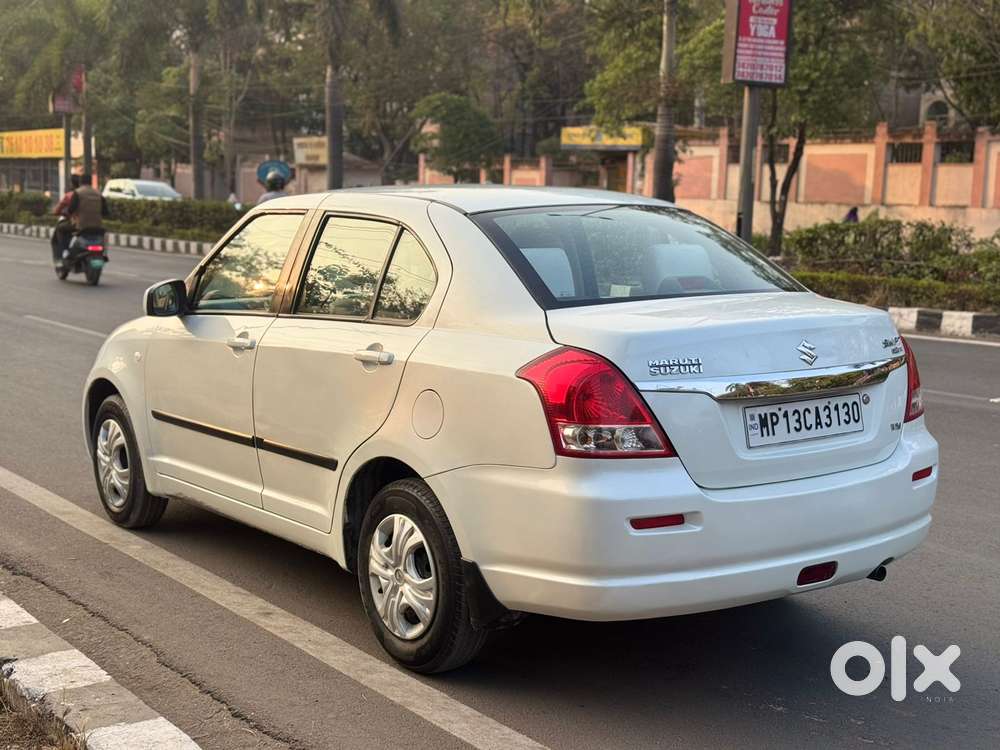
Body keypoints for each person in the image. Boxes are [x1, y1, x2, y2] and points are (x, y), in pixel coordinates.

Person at [51, 174, 81, 263]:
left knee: (60, 228)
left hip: (77, 223)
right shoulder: (94, 194)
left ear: (72, 184)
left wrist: (61, 213)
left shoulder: (70, 195)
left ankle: (64, 251)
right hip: (95, 223)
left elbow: (58, 210)